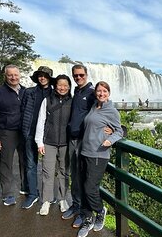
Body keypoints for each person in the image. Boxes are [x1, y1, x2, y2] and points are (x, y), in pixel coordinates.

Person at [63, 64, 112, 228]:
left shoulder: (92, 93)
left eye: (81, 75)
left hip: (84, 142)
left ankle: (84, 212)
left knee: (80, 178)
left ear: (86, 74)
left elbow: (106, 110)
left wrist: (116, 130)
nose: (78, 78)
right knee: (74, 176)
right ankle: (77, 206)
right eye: (75, 76)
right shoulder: (76, 92)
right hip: (72, 139)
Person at [77, 81, 123, 237]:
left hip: (99, 154)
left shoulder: (112, 111)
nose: (101, 94)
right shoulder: (94, 106)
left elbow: (119, 131)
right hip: (85, 152)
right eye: (99, 91)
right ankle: (88, 219)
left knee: (90, 188)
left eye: (104, 91)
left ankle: (100, 210)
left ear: (109, 93)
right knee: (84, 187)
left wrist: (110, 139)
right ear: (95, 93)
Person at [0, 64, 27, 206]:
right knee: (6, 163)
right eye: (10, 75)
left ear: (19, 75)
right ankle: (8, 194)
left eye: (16, 74)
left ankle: (25, 187)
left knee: (25, 161)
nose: (13, 77)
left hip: (24, 133)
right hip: (6, 133)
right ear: (5, 76)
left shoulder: (25, 92)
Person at [35, 74, 72, 215]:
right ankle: (46, 201)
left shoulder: (72, 102)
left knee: (64, 172)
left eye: (65, 85)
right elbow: (41, 121)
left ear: (69, 87)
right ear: (55, 86)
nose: (62, 88)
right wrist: (39, 142)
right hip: (49, 142)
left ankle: (62, 199)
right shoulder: (47, 100)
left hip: (66, 143)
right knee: (47, 172)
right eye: (59, 85)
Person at [20, 66, 54, 209]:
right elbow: (22, 110)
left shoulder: (55, 93)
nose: (42, 77)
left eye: (45, 75)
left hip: (48, 136)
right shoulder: (29, 92)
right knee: (30, 164)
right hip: (30, 133)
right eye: (40, 75)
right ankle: (33, 194)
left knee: (49, 167)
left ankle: (48, 195)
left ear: (49, 78)